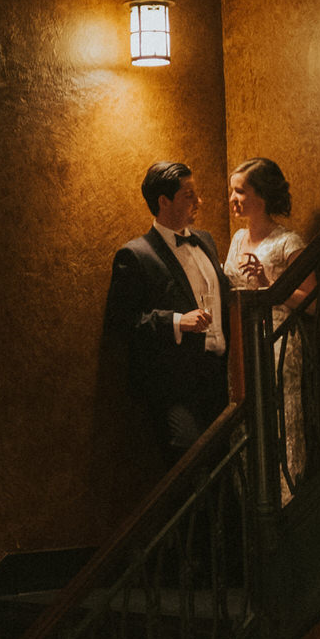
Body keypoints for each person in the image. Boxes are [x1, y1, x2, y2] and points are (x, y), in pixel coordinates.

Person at [103, 161, 234, 464]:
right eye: (189, 195)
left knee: (225, 461)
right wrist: (177, 321)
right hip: (175, 386)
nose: (199, 201)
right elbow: (121, 322)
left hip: (219, 377)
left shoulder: (207, 241)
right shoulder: (135, 256)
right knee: (188, 460)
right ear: (164, 201)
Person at [225, 158, 313, 490]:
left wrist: (270, 287)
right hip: (242, 341)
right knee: (245, 421)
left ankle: (289, 494)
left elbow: (312, 301)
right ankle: (251, 496)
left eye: (240, 191)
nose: (233, 198)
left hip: (277, 339)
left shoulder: (288, 242)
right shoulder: (236, 240)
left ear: (260, 196)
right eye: (232, 191)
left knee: (279, 418)